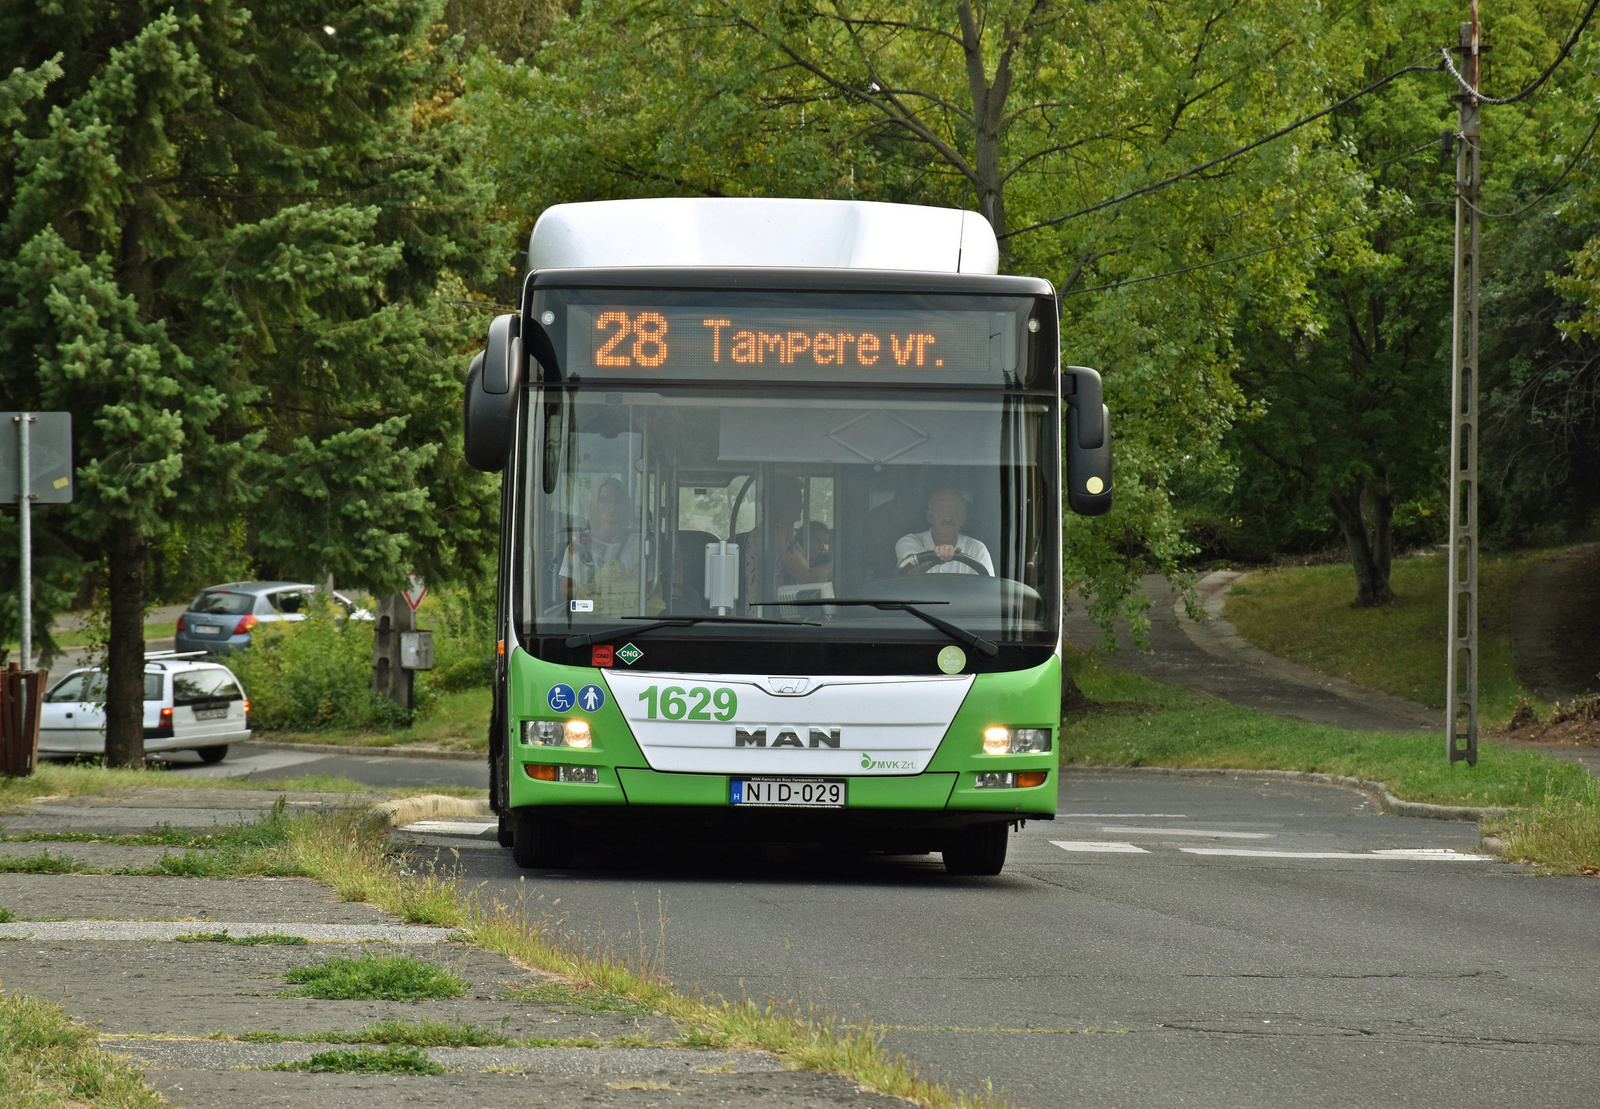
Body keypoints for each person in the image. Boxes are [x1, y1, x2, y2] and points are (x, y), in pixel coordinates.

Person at [560, 477, 641, 612]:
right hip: (588, 622)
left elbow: (652, 592)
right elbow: (564, 592)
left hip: (630, 623)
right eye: (604, 500)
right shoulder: (578, 545)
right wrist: (594, 592)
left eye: (617, 500)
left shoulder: (640, 546)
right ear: (594, 505)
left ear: (626, 505)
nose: (612, 506)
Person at [896, 488, 993, 575]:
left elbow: (988, 591)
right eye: (941, 510)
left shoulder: (977, 549)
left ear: (964, 516)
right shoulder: (909, 541)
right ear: (930, 516)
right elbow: (909, 570)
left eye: (954, 510)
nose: (947, 518)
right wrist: (937, 558)